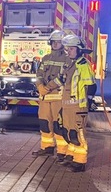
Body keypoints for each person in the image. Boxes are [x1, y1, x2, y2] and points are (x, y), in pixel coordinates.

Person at [57, 33, 97, 172]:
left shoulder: (83, 65)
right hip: (67, 106)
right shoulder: (70, 64)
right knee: (68, 132)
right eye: (67, 49)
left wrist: (89, 101)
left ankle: (80, 162)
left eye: (71, 49)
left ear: (79, 49)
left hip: (78, 107)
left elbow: (91, 86)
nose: (68, 52)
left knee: (77, 134)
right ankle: (71, 156)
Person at [33, 30, 72, 162]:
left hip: (58, 98)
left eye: (59, 42)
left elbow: (63, 78)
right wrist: (39, 86)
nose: (56, 44)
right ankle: (47, 147)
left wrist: (47, 87)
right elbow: (39, 74)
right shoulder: (46, 58)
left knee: (58, 125)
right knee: (44, 123)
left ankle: (62, 152)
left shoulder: (67, 60)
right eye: (54, 42)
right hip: (44, 99)